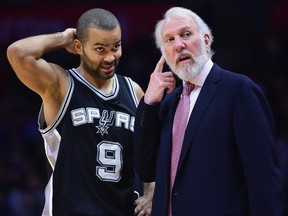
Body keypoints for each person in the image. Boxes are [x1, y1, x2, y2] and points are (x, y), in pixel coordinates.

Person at [133, 6, 284, 216]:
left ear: (206, 40)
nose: (179, 45)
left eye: (186, 34)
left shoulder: (239, 90)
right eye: (169, 40)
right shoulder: (166, 104)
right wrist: (148, 104)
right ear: (164, 54)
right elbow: (145, 169)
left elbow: (264, 179)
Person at [7, 8, 154, 216]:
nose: (110, 57)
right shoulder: (61, 86)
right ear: (79, 47)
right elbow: (18, 53)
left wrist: (150, 190)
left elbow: (150, 149)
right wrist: (63, 37)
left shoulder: (134, 91)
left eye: (116, 47)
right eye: (100, 49)